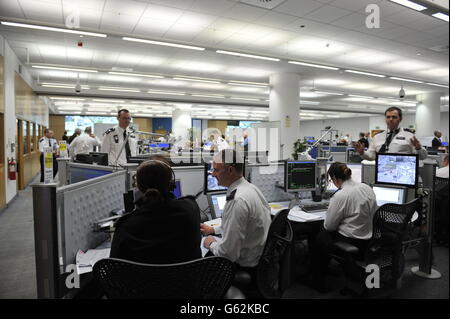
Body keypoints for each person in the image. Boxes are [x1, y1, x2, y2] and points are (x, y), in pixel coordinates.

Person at [110, 159, 202, 264]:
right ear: (171, 184)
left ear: (139, 187)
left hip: (142, 280)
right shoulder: (191, 208)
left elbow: (114, 265)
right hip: (189, 279)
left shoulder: (126, 225)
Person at [200, 150, 271, 280]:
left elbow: (227, 254)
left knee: (201, 265)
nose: (212, 173)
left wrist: (211, 243)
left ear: (231, 170)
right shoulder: (251, 188)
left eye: (216, 170)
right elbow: (240, 225)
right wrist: (213, 229)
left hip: (244, 265)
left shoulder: (237, 200)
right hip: (259, 258)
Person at [309, 162, 377, 292]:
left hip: (352, 243)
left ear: (335, 178)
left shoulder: (340, 195)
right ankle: (331, 269)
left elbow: (329, 226)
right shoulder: (366, 188)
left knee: (319, 236)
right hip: (369, 241)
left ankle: (318, 281)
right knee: (324, 235)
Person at [353, 107, 427, 160]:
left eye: (394, 117)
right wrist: (362, 153)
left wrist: (418, 148)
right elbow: (372, 156)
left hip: (402, 173)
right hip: (382, 172)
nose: (390, 119)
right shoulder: (377, 137)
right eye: (388, 117)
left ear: (400, 119)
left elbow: (423, 157)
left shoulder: (410, 136)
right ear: (385, 119)